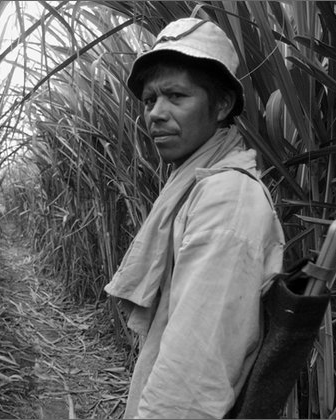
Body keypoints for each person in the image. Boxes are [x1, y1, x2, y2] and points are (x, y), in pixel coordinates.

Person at [104, 18, 285, 418]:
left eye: (176, 96)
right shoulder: (195, 186)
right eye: (150, 100)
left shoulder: (227, 199)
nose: (155, 113)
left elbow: (192, 377)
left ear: (220, 105)